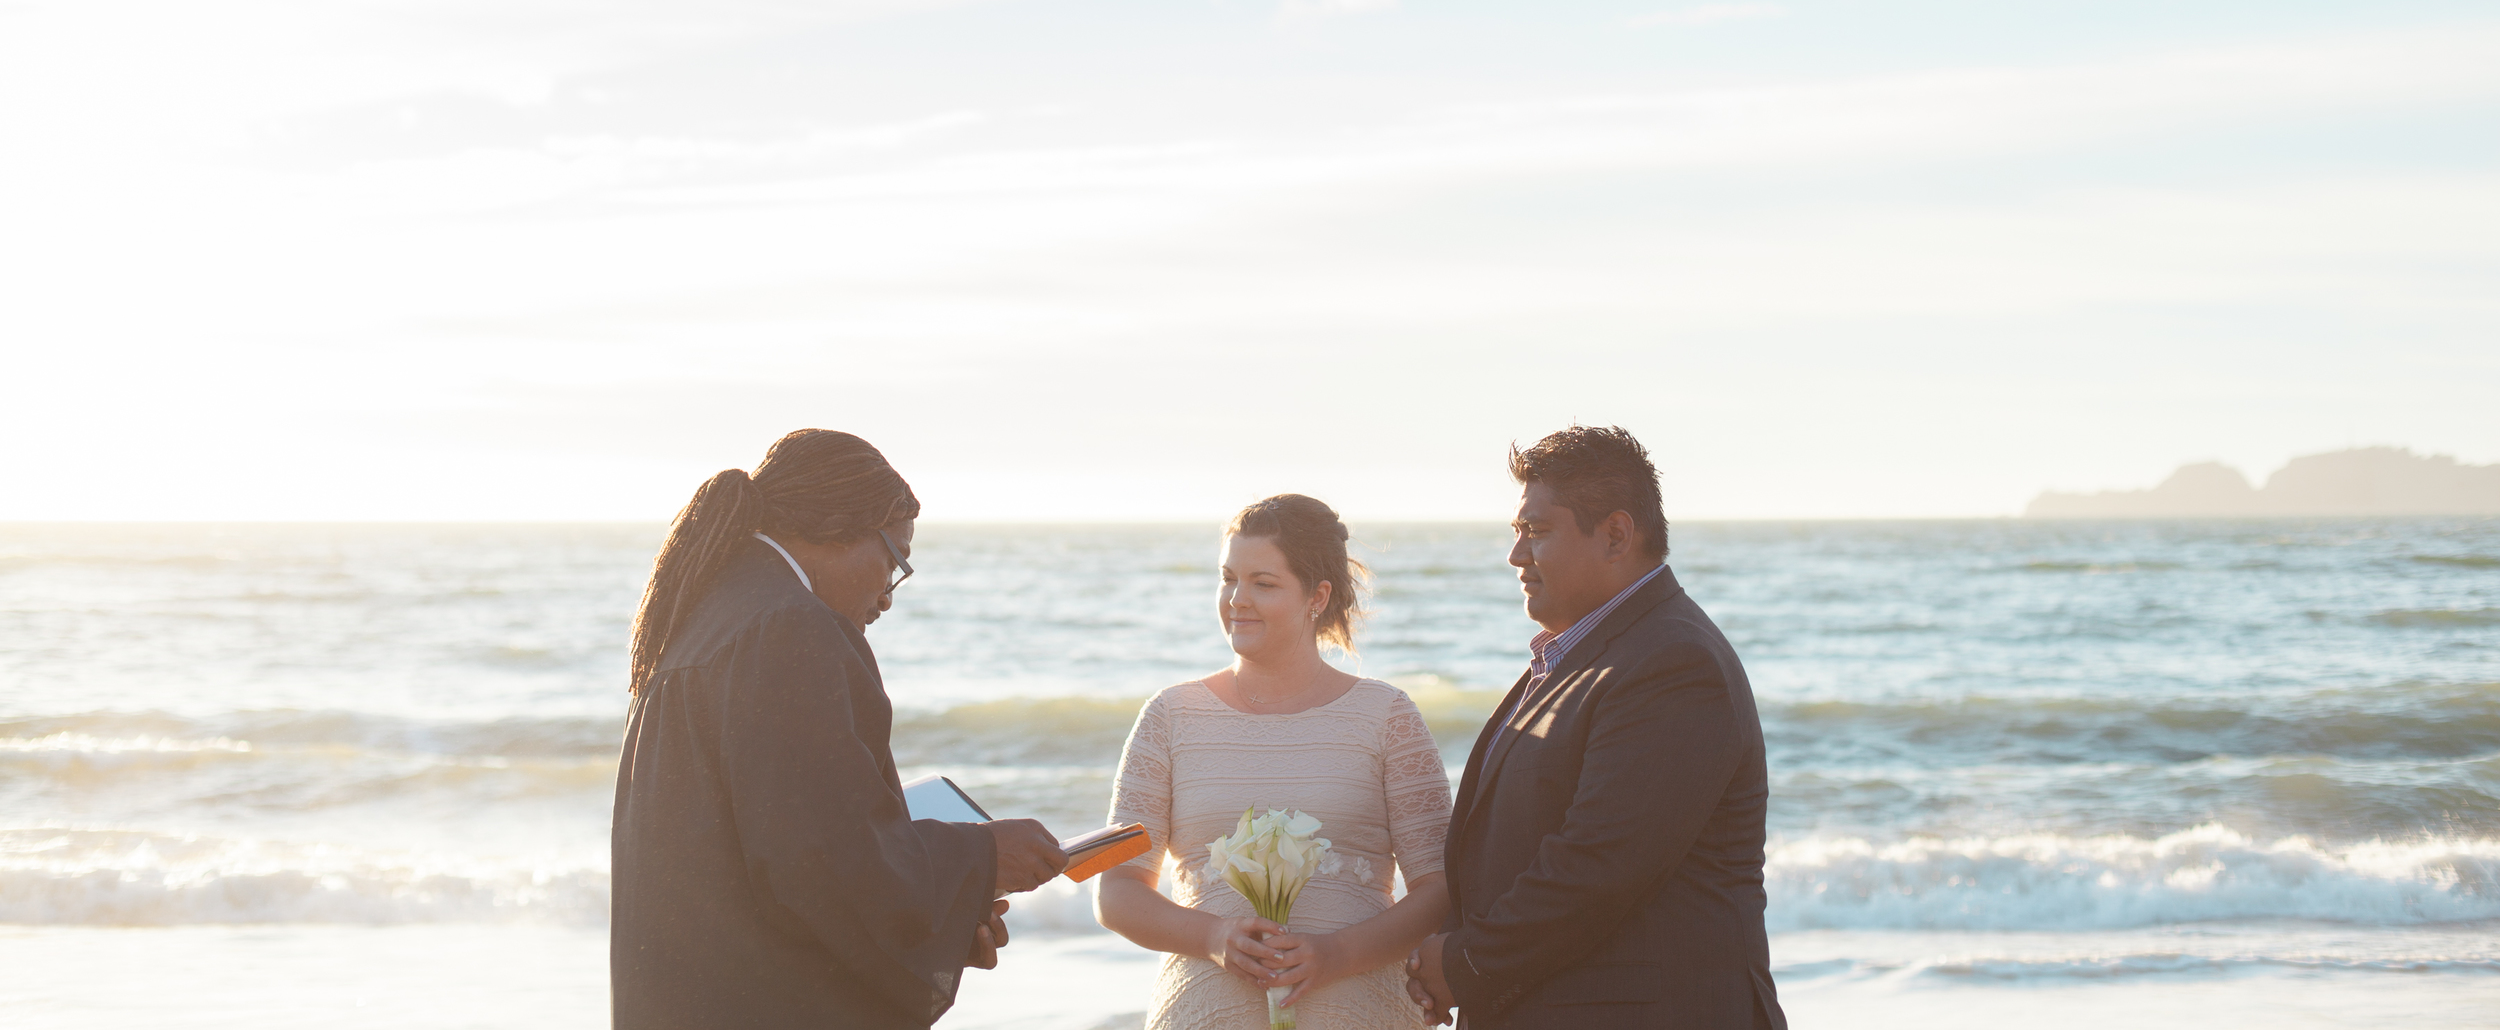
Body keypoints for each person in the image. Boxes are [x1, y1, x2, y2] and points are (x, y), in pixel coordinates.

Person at [611, 429, 1069, 1030]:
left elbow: (774, 846)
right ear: (841, 524)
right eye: (893, 560)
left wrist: (947, 920)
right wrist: (984, 854)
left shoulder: (709, 615)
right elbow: (822, 862)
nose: (887, 594)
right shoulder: (790, 629)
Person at [1404, 427, 1784, 1030]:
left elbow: (1599, 866)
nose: (1516, 556)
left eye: (1538, 531)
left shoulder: (1674, 664)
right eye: (1517, 533)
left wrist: (1464, 963)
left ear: (1615, 535)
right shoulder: (1586, 657)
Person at [1098, 495, 1455, 1030]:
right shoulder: (1169, 716)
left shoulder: (1387, 716)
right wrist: (1215, 938)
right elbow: (1118, 892)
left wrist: (1336, 954)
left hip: (1358, 1009)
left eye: (1263, 583)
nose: (1238, 600)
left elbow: (1440, 890)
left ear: (1318, 596)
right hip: (1206, 1012)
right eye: (1228, 579)